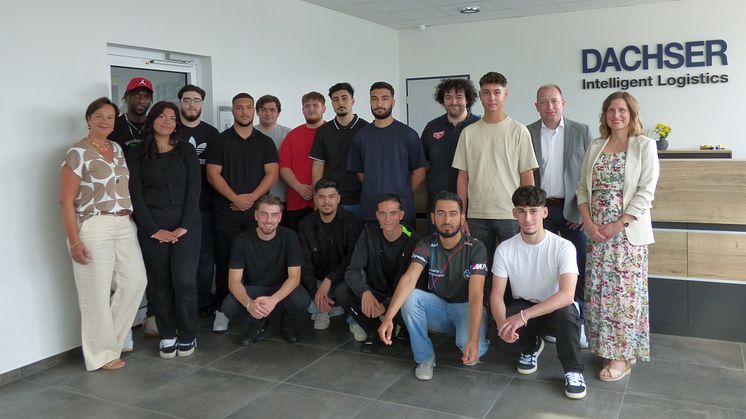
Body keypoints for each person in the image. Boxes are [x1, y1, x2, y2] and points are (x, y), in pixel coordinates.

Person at [576, 91, 659, 381]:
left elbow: (646, 191)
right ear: (605, 115)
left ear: (632, 113)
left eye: (622, 110)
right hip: (597, 236)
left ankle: (623, 356)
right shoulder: (597, 145)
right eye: (611, 110)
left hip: (627, 237)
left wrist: (619, 224)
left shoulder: (644, 145)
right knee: (599, 295)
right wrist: (587, 222)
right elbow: (582, 189)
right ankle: (605, 348)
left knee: (624, 297)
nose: (616, 115)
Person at [59, 97, 147, 371]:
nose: (105, 121)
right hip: (93, 225)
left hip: (123, 224)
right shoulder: (78, 152)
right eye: (99, 116)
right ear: (88, 119)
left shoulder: (117, 149)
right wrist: (74, 240)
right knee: (94, 293)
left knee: (135, 282)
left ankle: (111, 344)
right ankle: (101, 354)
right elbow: (65, 200)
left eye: (110, 117)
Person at [378, 191, 489, 380]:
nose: (447, 219)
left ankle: (477, 338)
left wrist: (472, 340)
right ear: (432, 217)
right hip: (439, 307)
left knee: (469, 348)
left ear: (462, 218)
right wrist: (389, 317)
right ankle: (425, 358)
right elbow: (409, 279)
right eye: (441, 213)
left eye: (453, 214)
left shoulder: (476, 248)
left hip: (466, 308)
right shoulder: (427, 243)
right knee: (410, 297)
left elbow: (477, 294)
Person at [490, 186, 586, 399]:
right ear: (515, 214)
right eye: (522, 211)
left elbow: (567, 295)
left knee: (568, 312)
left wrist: (522, 317)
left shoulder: (563, 246)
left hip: (554, 308)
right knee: (495, 333)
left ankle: (573, 371)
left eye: (534, 211)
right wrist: (502, 325)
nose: (528, 218)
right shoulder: (505, 249)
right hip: (524, 305)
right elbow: (496, 294)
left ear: (544, 212)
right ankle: (531, 346)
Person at [127, 101, 201, 359]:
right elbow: (135, 195)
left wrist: (184, 226)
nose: (167, 121)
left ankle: (188, 334)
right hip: (153, 226)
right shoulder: (137, 152)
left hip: (187, 225)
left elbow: (195, 190)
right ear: (152, 120)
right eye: (162, 116)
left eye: (172, 117)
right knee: (160, 283)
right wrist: (153, 229)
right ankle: (167, 333)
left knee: (183, 281)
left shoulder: (186, 151)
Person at [205, 93, 279, 333]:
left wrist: (252, 200)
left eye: (249, 107)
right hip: (226, 212)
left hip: (255, 214)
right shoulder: (219, 140)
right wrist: (236, 198)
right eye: (240, 108)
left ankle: (258, 309)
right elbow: (213, 174)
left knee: (257, 263)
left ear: (254, 111)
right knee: (225, 261)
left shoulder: (265, 142)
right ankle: (222, 310)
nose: (244, 112)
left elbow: (272, 174)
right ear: (233, 111)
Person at [527, 84, 591, 347]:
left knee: (577, 267)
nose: (549, 106)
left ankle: (581, 323)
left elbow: (589, 173)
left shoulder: (581, 131)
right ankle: (552, 323)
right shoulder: (527, 132)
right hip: (542, 210)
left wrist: (582, 211)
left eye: (554, 101)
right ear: (537, 106)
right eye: (544, 102)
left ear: (563, 103)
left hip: (573, 208)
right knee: (547, 268)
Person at [452, 72, 538, 264]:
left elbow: (527, 176)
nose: (492, 98)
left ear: (505, 94)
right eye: (487, 92)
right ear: (480, 95)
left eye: (497, 92)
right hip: (477, 215)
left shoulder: (519, 131)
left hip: (510, 214)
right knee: (480, 269)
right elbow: (462, 177)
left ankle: (507, 297)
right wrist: (462, 214)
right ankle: (483, 296)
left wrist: (529, 213)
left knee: (515, 266)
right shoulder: (469, 133)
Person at [219, 195, 311, 345]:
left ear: (280, 217)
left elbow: (295, 277)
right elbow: (234, 281)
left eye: (274, 215)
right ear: (256, 215)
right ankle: (257, 324)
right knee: (228, 306)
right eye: (264, 214)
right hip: (254, 290)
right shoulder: (241, 240)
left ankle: (287, 324)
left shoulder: (290, 237)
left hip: (281, 289)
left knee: (301, 300)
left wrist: (273, 300)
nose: (269, 220)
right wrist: (249, 304)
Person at [337, 194, 422, 351]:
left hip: (400, 296)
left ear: (401, 215)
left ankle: (399, 326)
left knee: (413, 299)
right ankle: (373, 330)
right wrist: (365, 293)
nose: (387, 219)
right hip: (374, 292)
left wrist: (386, 306)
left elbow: (416, 283)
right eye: (382, 214)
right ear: (377, 215)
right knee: (342, 290)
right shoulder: (369, 233)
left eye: (393, 213)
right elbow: (352, 270)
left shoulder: (414, 240)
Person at [347, 81, 426, 227]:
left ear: (393, 102)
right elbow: (360, 173)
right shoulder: (360, 137)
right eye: (374, 98)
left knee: (405, 249)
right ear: (370, 101)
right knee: (373, 249)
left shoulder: (408, 135)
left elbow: (420, 170)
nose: (379, 103)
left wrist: (403, 193)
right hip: (372, 212)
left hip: (403, 213)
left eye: (384, 98)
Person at [178, 84, 221, 316]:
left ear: (202, 104)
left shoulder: (212, 134)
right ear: (180, 103)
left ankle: (203, 302)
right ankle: (183, 303)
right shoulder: (171, 131)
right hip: (176, 209)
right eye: (186, 100)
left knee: (205, 259)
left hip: (206, 207)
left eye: (196, 100)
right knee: (182, 261)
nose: (191, 104)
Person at [297, 178, 360, 330]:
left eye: (331, 197)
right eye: (321, 197)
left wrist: (330, 279)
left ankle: (355, 319)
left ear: (338, 199)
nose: (326, 202)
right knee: (302, 299)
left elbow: (352, 258)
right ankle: (324, 308)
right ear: (315, 200)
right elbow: (305, 264)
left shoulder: (351, 221)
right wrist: (316, 294)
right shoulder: (305, 225)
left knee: (356, 279)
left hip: (343, 278)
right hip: (318, 281)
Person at [421, 78, 479, 230]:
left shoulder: (479, 126)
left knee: (467, 249)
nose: (454, 101)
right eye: (448, 97)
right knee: (436, 247)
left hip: (472, 203)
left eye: (459, 97)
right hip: (437, 200)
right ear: (442, 100)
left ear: (468, 99)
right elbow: (423, 164)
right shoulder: (431, 127)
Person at [310, 83, 368, 220]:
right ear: (331, 103)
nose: (340, 103)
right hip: (331, 200)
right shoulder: (324, 131)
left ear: (353, 101)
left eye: (344, 98)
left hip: (360, 199)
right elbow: (317, 166)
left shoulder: (366, 129)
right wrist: (317, 198)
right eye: (336, 99)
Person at [279, 92, 326, 230]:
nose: (311, 109)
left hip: (325, 202)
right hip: (296, 201)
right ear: (302, 109)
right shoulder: (292, 135)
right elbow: (284, 166)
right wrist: (299, 187)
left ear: (324, 109)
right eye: (307, 106)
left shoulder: (330, 133)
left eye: (315, 105)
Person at [255, 95, 291, 205]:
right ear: (257, 112)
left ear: (278, 113)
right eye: (263, 110)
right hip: (256, 194)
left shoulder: (288, 134)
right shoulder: (250, 133)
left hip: (282, 194)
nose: (268, 113)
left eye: (272, 110)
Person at [109, 77, 154, 150]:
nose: (141, 100)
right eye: (137, 95)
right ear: (126, 97)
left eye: (146, 96)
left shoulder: (156, 125)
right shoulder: (113, 126)